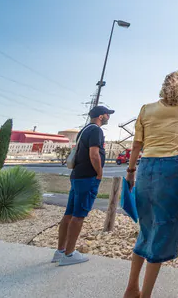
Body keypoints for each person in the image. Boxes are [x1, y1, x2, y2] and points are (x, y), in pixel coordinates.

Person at [123, 47, 178, 298]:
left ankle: (131, 288)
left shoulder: (146, 109)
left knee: (146, 228)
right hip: (170, 170)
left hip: (146, 168)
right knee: (162, 231)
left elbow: (136, 145)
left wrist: (131, 172)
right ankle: (145, 294)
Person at [53, 104, 115, 266]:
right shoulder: (96, 130)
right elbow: (94, 154)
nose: (109, 117)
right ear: (101, 116)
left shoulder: (85, 130)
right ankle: (69, 253)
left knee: (69, 213)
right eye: (107, 114)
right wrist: (99, 173)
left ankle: (60, 251)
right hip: (88, 177)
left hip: (77, 175)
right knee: (79, 215)